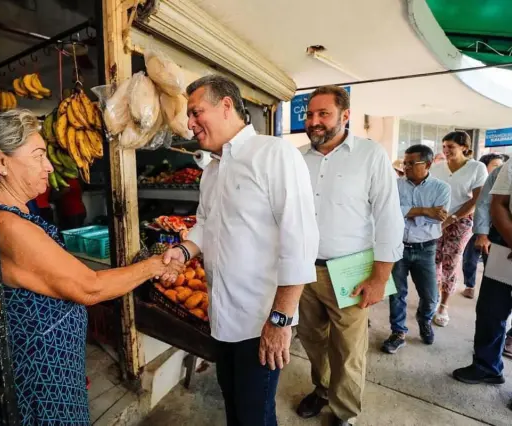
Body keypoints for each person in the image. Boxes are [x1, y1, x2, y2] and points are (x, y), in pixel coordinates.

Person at [0, 109, 183, 425]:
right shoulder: (6, 226)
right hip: (39, 379)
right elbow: (90, 286)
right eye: (38, 156)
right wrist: (156, 264)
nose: (48, 167)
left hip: (38, 365)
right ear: (0, 160)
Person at [161, 75, 319, 426]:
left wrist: (280, 321)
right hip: (222, 319)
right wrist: (185, 251)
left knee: (254, 417)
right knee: (234, 407)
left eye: (196, 111)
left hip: (259, 322)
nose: (190, 123)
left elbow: (301, 243)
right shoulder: (212, 170)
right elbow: (205, 224)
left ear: (227, 106)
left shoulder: (273, 155)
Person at [296, 85, 404, 426]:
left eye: (323, 114)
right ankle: (323, 388)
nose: (314, 121)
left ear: (345, 116)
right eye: (310, 114)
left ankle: (345, 412)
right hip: (302, 269)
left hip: (350, 270)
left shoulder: (370, 155)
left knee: (349, 349)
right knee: (312, 339)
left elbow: (388, 216)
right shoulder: (297, 158)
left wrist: (380, 277)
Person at [381, 145, 451, 354]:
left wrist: (408, 213)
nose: (407, 167)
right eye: (405, 162)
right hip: (398, 246)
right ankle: (398, 332)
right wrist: (423, 210)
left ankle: (424, 320)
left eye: (412, 163)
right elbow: (391, 212)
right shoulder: (395, 185)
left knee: (430, 295)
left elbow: (437, 218)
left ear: (427, 164)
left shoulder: (441, 188)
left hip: (426, 248)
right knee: (397, 293)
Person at [453, 159, 512, 393]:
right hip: (506, 244)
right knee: (491, 310)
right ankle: (487, 366)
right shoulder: (508, 167)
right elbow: (496, 203)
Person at [430, 132, 488, 326]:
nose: (446, 151)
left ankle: (443, 306)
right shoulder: (437, 168)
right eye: (444, 146)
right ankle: (434, 298)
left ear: (464, 147)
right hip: (436, 219)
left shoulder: (476, 168)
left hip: (461, 221)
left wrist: (453, 218)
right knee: (433, 260)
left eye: (451, 147)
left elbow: (477, 198)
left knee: (451, 262)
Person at [461, 153, 508, 298]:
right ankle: (470, 284)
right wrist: (482, 233)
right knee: (471, 259)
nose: (499, 166)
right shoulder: (499, 174)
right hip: (490, 230)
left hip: (491, 230)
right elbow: (483, 204)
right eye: (495, 164)